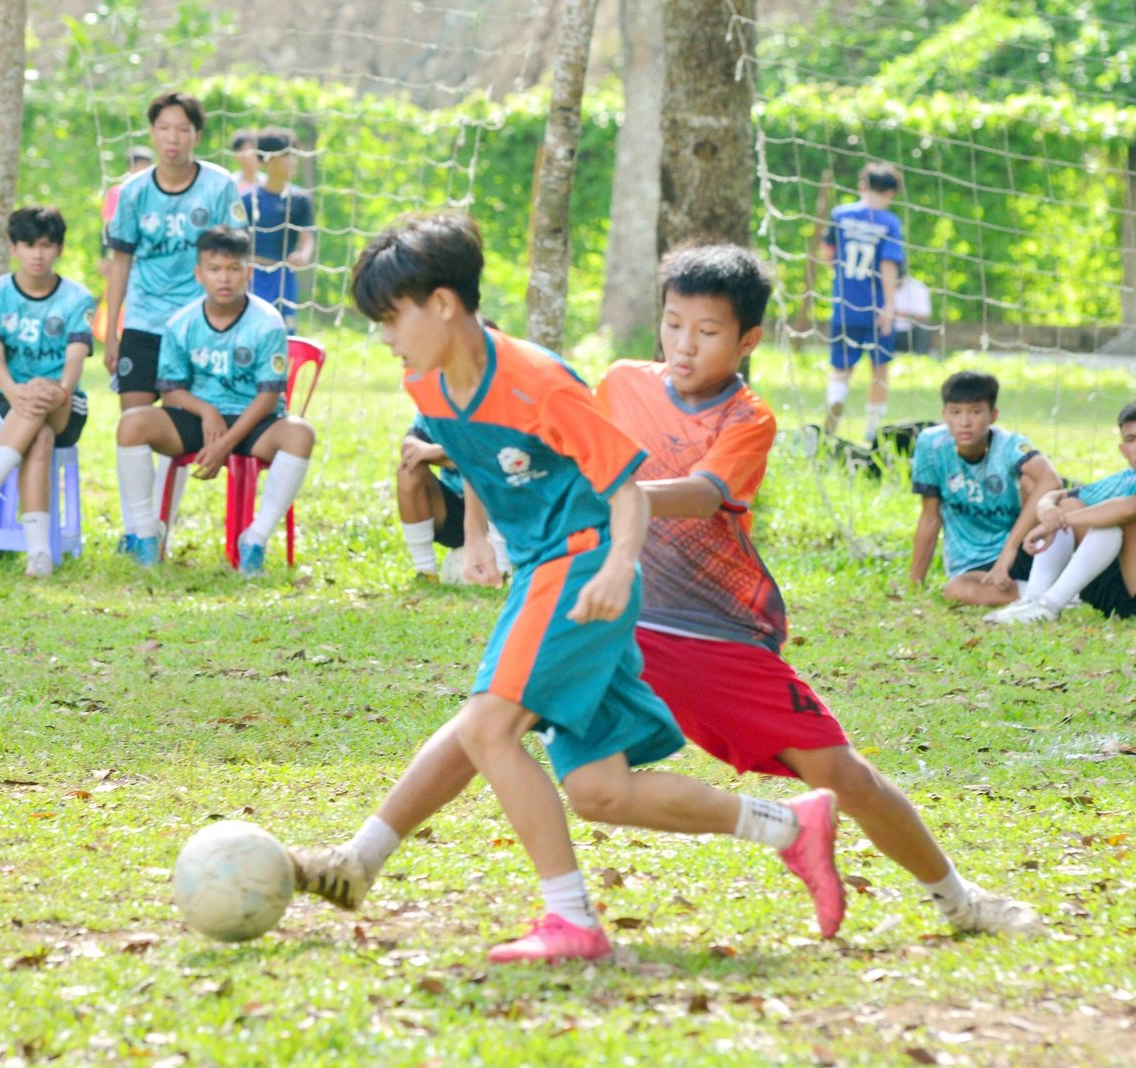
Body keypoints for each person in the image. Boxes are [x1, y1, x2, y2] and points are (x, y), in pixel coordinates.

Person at [291, 212, 843, 965]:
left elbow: (625, 489)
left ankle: (563, 918)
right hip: (541, 568)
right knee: (599, 790)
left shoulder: (540, 383)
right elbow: (480, 460)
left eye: (391, 317)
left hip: (585, 561)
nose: (384, 336)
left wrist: (617, 569)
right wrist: (477, 539)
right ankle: (790, 825)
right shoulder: (425, 379)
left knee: (489, 728)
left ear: (443, 304)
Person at [594, 243, 1042, 935]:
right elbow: (558, 449)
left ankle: (961, 899)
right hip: (608, 617)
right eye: (673, 324)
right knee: (511, 736)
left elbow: (703, 495)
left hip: (710, 634)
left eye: (707, 331)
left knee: (841, 773)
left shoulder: (747, 417)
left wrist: (617, 495)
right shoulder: (621, 384)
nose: (683, 345)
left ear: (747, 341)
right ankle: (543, 906)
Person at [108, 226, 312, 576]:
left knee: (301, 434)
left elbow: (267, 397)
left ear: (248, 272)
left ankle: (255, 540)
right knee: (132, 424)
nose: (224, 278)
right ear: (198, 274)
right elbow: (171, 391)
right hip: (199, 421)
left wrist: (225, 444)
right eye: (214, 269)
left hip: (252, 421)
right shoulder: (181, 323)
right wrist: (206, 411)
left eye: (233, 269)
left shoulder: (267, 323)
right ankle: (146, 537)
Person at [104, 90, 248, 565]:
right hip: (143, 323)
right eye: (164, 128)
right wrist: (113, 330)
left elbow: (237, 257)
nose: (173, 139)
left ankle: (159, 529)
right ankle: (137, 529)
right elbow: (120, 262)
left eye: (182, 130)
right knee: (133, 423)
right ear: (151, 133)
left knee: (176, 425)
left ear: (197, 135)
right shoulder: (133, 192)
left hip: (196, 327)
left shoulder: (220, 186)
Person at [0, 206, 96, 579]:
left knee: (44, 394)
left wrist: (59, 391)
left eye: (46, 245)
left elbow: (76, 358)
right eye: (29, 245)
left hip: (64, 402)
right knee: (40, 436)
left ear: (60, 249)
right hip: (5, 402)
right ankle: (39, 555)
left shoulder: (78, 298)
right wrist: (16, 393)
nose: (38, 255)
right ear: (13, 247)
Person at [988, 400, 1136, 624]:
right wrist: (1047, 508)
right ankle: (1033, 600)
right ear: (1123, 449)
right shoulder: (1130, 478)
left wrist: (1057, 522)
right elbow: (1061, 496)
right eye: (1131, 440)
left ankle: (1049, 606)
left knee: (1120, 517)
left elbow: (1127, 510)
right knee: (1072, 506)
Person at [909, 371, 1062, 606]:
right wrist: (914, 584)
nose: (964, 422)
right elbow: (930, 516)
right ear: (944, 415)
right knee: (956, 590)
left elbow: (1051, 480)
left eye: (975, 412)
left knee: (1032, 482)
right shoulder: (931, 445)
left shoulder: (1010, 445)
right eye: (956, 412)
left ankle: (1050, 583)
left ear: (993, 415)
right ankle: (1056, 594)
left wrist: (1009, 551)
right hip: (973, 566)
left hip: (1021, 549)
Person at [820, 162, 903, 441]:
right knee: (879, 370)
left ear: (862, 186)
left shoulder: (840, 214)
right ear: (890, 192)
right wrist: (889, 305)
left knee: (840, 367)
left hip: (844, 305)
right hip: (877, 308)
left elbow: (828, 256)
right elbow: (888, 264)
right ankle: (871, 430)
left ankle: (836, 401)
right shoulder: (889, 223)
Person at [397, 416, 511, 582]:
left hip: (501, 507)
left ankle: (504, 569)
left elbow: (491, 450)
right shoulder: (436, 407)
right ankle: (425, 572)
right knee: (409, 469)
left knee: (493, 466)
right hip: (455, 507)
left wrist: (445, 453)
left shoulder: (494, 405)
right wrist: (459, 455)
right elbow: (409, 448)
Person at [243, 128, 316, 331]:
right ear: (268, 159)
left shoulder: (300, 199)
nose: (292, 161)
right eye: (286, 155)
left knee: (283, 330)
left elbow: (307, 235)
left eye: (294, 155)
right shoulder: (248, 200)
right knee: (252, 328)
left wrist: (304, 255)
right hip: (252, 276)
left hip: (284, 278)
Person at [892, 264, 932, 356]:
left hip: (910, 331)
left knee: (923, 327)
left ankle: (921, 357)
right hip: (889, 330)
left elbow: (923, 315)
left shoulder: (917, 287)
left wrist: (901, 314)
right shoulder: (880, 286)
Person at [229, 128, 262, 198]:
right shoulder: (231, 185)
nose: (256, 155)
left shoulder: (266, 183)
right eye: (250, 151)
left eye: (258, 150)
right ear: (236, 154)